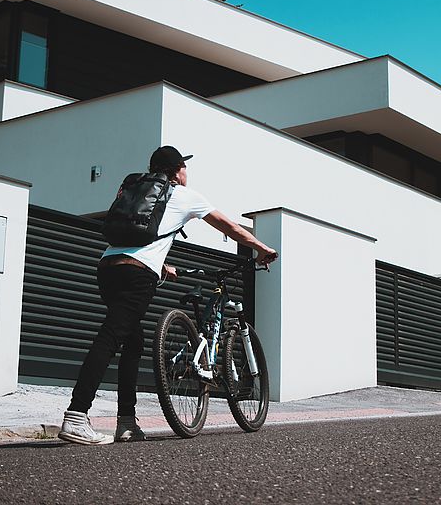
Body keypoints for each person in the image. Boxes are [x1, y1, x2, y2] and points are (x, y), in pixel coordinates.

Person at [58, 145, 278, 445]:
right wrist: (261, 248)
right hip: (138, 275)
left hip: (108, 267)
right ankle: (76, 415)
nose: (187, 172)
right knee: (110, 337)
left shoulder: (140, 192)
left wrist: (162, 264)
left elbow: (137, 238)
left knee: (132, 342)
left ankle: (127, 422)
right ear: (177, 171)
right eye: (184, 167)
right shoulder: (185, 196)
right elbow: (227, 225)